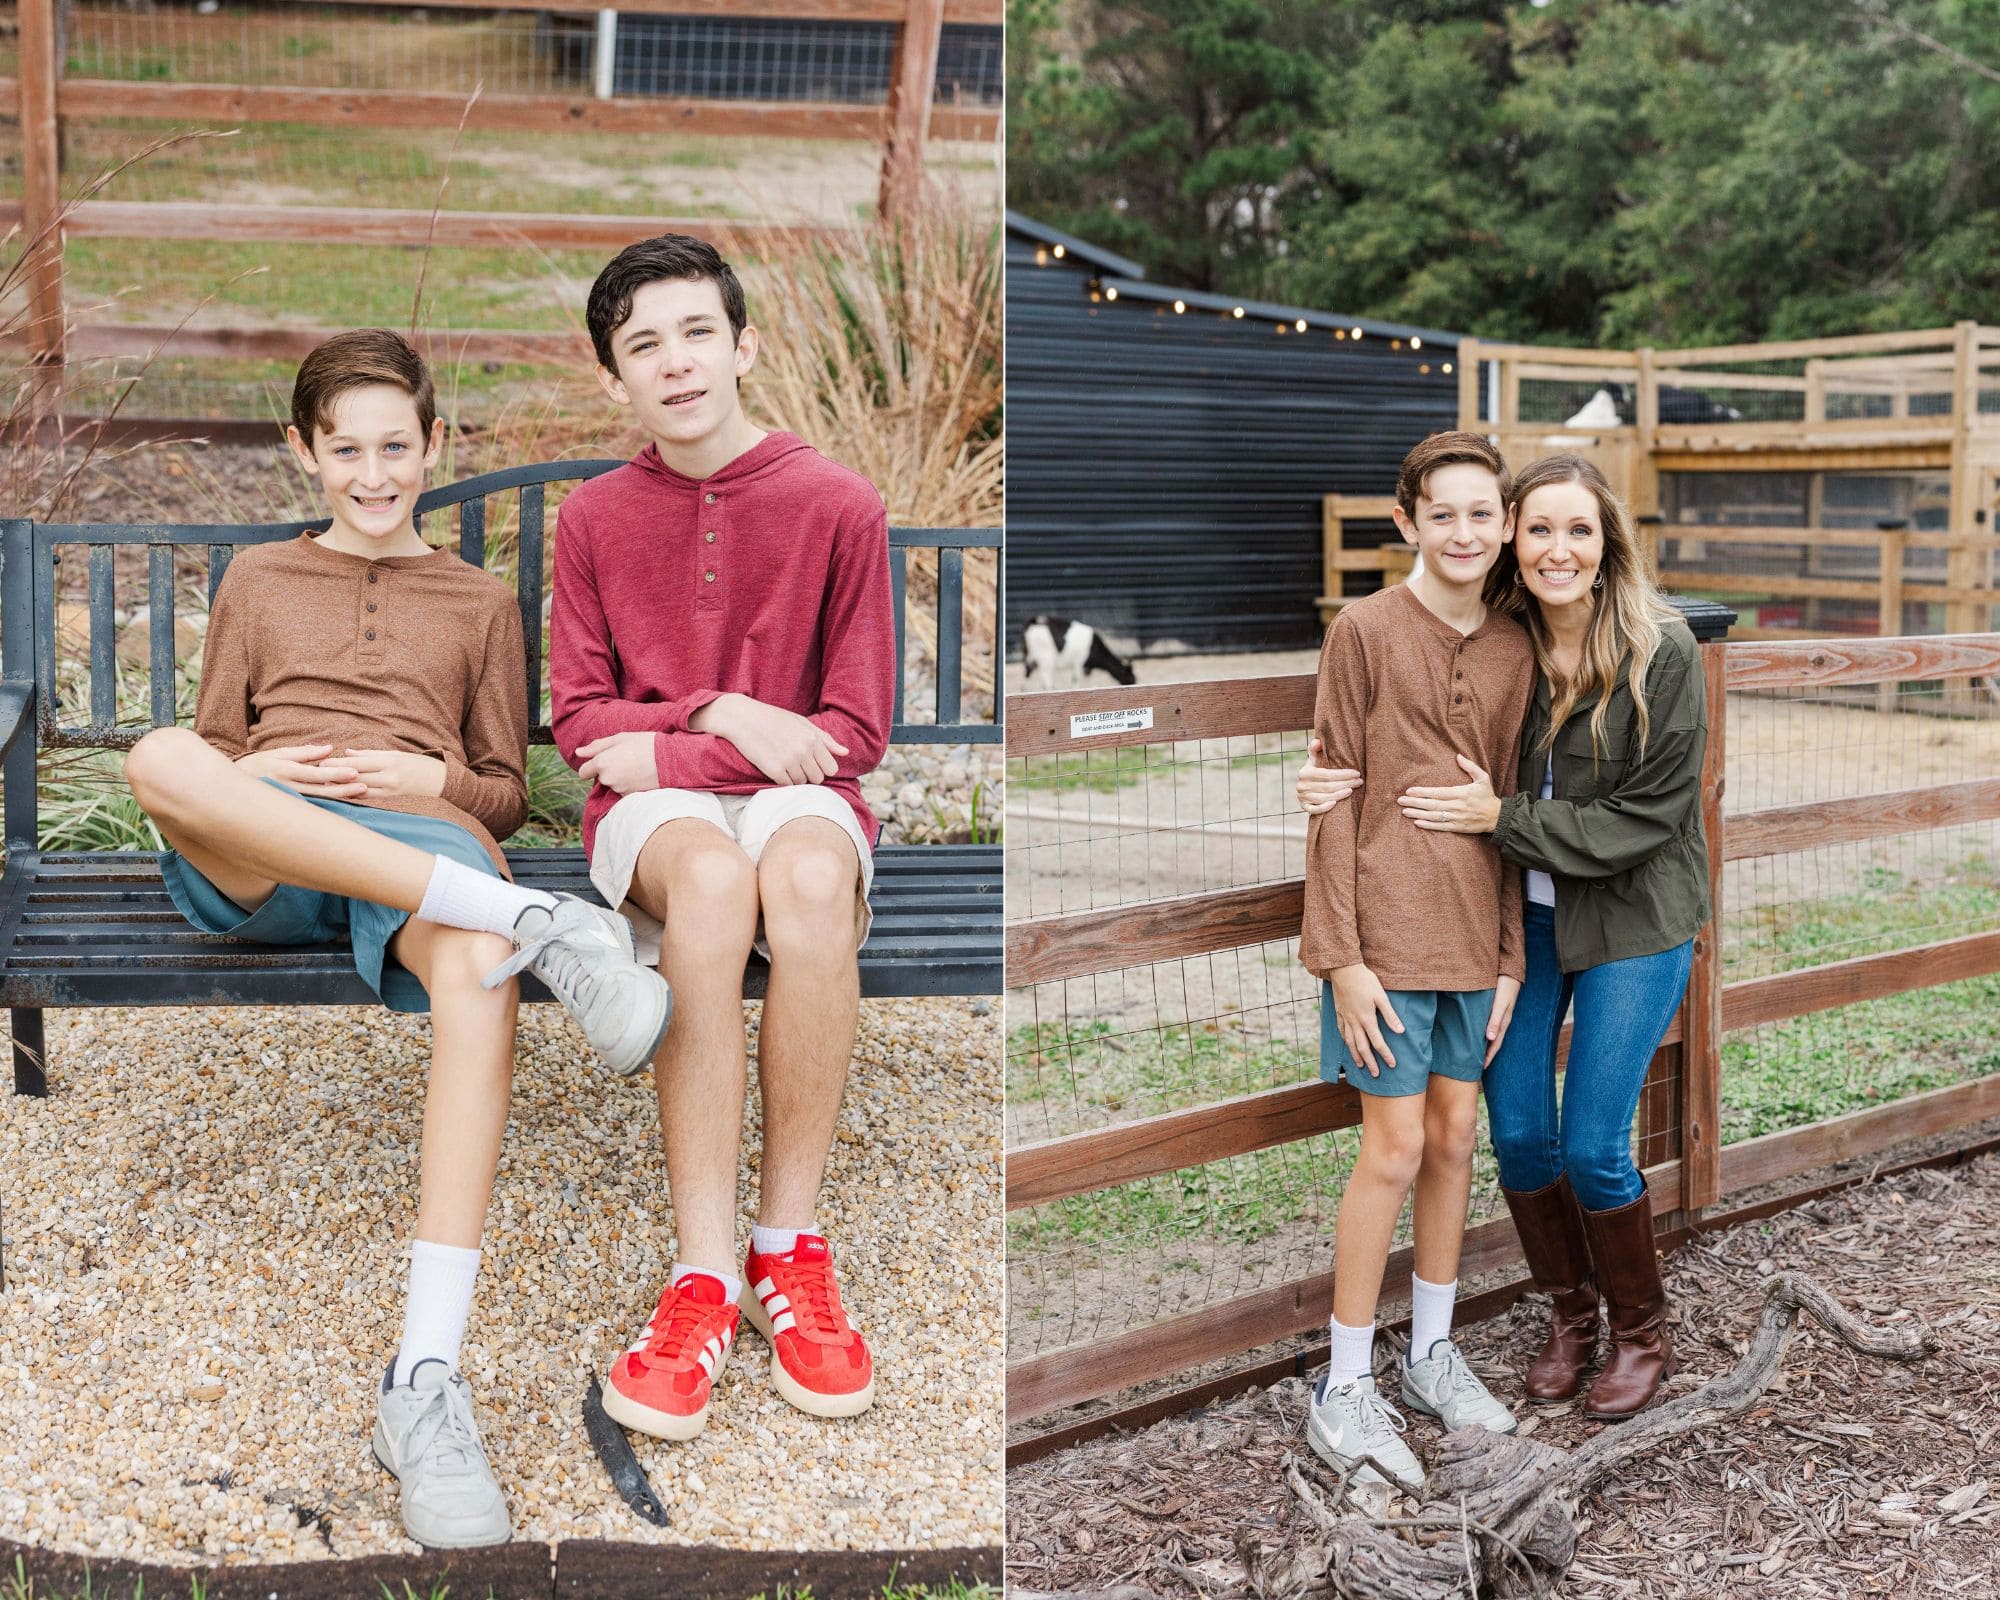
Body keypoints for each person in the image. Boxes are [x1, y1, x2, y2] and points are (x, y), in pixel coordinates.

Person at [122, 330, 672, 1547]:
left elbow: (500, 791)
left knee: (475, 974)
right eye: (345, 450)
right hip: (269, 850)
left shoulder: (478, 602)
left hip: (423, 860)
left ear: (434, 445)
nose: (373, 475)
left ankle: (422, 1384)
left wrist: (425, 769)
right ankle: (539, 924)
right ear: (304, 452)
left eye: (395, 447)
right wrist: (263, 769)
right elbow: (206, 757)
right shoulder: (260, 580)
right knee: (155, 753)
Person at [550, 235, 894, 1442]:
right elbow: (587, 727)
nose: (675, 361)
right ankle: (699, 1274)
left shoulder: (838, 505)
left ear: (744, 346)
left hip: (790, 792)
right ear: (615, 379)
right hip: (657, 815)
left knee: (797, 880)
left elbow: (850, 732)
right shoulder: (592, 520)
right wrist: (721, 709)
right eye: (642, 345)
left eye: (697, 332)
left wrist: (687, 739)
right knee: (706, 883)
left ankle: (783, 1248)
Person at [1298, 450, 1709, 1420]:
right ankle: (1568, 1315)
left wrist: (1499, 824)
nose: (1554, 548)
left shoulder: (1661, 648)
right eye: (1538, 529)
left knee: (1594, 1141)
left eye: (1578, 529)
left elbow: (1645, 818)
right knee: (1516, 1131)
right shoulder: (1500, 633)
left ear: (1607, 539)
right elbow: (1390, 730)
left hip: (1630, 916)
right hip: (1524, 915)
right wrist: (1322, 778)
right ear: (1512, 542)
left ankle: (1638, 1334)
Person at [1298, 430, 1534, 1490]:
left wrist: (1511, 961)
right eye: (1441, 512)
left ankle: (1431, 1351)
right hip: (1380, 944)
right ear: (1407, 521)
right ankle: (1344, 1381)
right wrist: (1340, 957)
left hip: (1474, 940)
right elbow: (1332, 788)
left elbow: (1512, 820)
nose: (1462, 531)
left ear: (1504, 526)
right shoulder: (1363, 629)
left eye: (1480, 513)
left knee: (1451, 1139)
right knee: (1388, 1150)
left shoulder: (1514, 648)